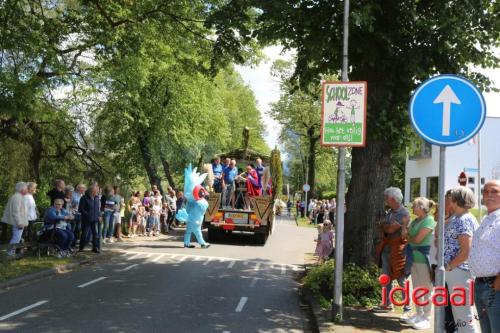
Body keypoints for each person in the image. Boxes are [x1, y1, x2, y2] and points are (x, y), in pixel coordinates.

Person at [444, 186, 479, 333]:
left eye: (451, 197)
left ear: (455, 200)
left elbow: (467, 251)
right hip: (456, 271)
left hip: (459, 271)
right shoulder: (457, 218)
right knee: (460, 318)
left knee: (463, 319)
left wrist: (450, 266)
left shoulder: (463, 220)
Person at [373, 187, 411, 314]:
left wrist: (385, 226)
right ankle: (386, 304)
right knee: (385, 277)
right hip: (387, 250)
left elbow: (388, 230)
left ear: (393, 199)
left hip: (398, 252)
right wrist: (386, 226)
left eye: (386, 198)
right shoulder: (390, 211)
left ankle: (407, 307)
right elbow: (383, 227)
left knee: (401, 279)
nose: (385, 200)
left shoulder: (404, 213)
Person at [470, 180, 500, 333]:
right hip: (481, 284)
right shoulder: (487, 219)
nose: (489, 195)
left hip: (495, 286)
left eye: (494, 191)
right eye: (486, 191)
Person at [402, 197, 437, 330]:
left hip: (423, 259)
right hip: (413, 258)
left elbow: (417, 239)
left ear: (421, 208)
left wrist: (409, 238)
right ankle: (419, 313)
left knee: (426, 288)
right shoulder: (416, 220)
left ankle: (426, 317)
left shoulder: (429, 220)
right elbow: (404, 236)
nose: (412, 208)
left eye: (414, 206)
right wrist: (405, 225)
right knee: (417, 287)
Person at [1, 182, 29, 256]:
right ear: (22, 189)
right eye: (26, 188)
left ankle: (11, 252)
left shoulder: (18, 196)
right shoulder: (17, 197)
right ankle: (10, 253)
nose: (27, 190)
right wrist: (19, 222)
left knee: (17, 238)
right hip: (17, 222)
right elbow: (15, 212)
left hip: (18, 221)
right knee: (16, 238)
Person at [79, 183, 101, 253]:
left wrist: (99, 216)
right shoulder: (84, 198)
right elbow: (81, 209)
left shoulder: (97, 198)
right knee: (84, 234)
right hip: (86, 219)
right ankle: (81, 248)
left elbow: (98, 209)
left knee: (95, 234)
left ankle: (95, 248)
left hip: (94, 219)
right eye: (96, 191)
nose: (97, 192)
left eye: (97, 191)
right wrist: (88, 214)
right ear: (91, 191)